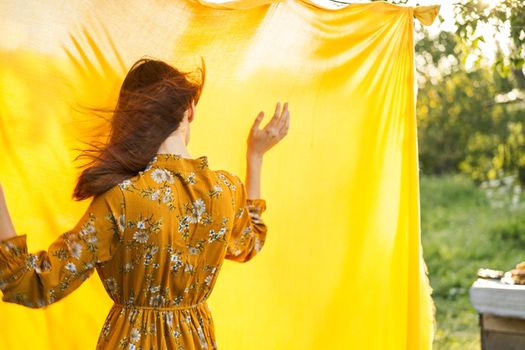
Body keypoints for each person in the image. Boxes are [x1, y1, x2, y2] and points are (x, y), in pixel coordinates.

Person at [0, 57, 290, 349]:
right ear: (189, 110)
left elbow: (32, 285)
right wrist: (255, 155)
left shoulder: (122, 198)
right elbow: (250, 243)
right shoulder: (226, 191)